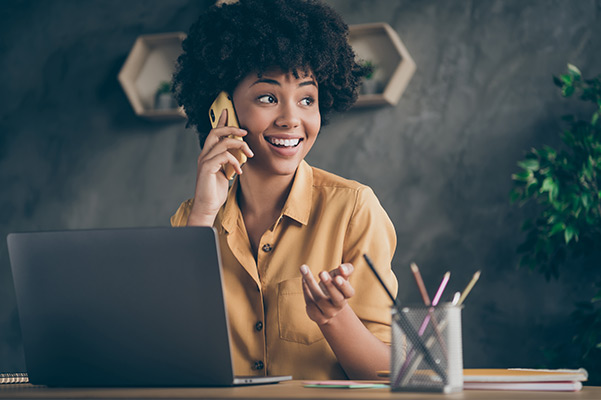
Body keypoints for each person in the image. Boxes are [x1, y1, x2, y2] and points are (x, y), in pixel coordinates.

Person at [170, 0, 398, 380]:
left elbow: (391, 372)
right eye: (268, 97)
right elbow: (167, 347)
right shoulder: (191, 219)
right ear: (222, 108)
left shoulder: (354, 209)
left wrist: (334, 316)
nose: (292, 118)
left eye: (307, 99)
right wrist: (205, 213)